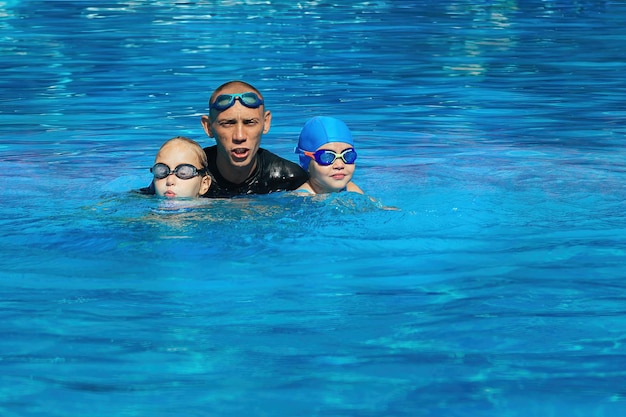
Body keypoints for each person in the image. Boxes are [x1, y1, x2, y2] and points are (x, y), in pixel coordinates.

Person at [199, 80, 308, 197]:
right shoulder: (190, 175)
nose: (239, 136)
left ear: (266, 122)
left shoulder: (291, 180)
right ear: (209, 127)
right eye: (228, 123)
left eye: (250, 122)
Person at [294, 116, 364, 195]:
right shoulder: (300, 198)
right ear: (307, 162)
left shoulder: (351, 188)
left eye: (347, 155)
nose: (339, 165)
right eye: (327, 157)